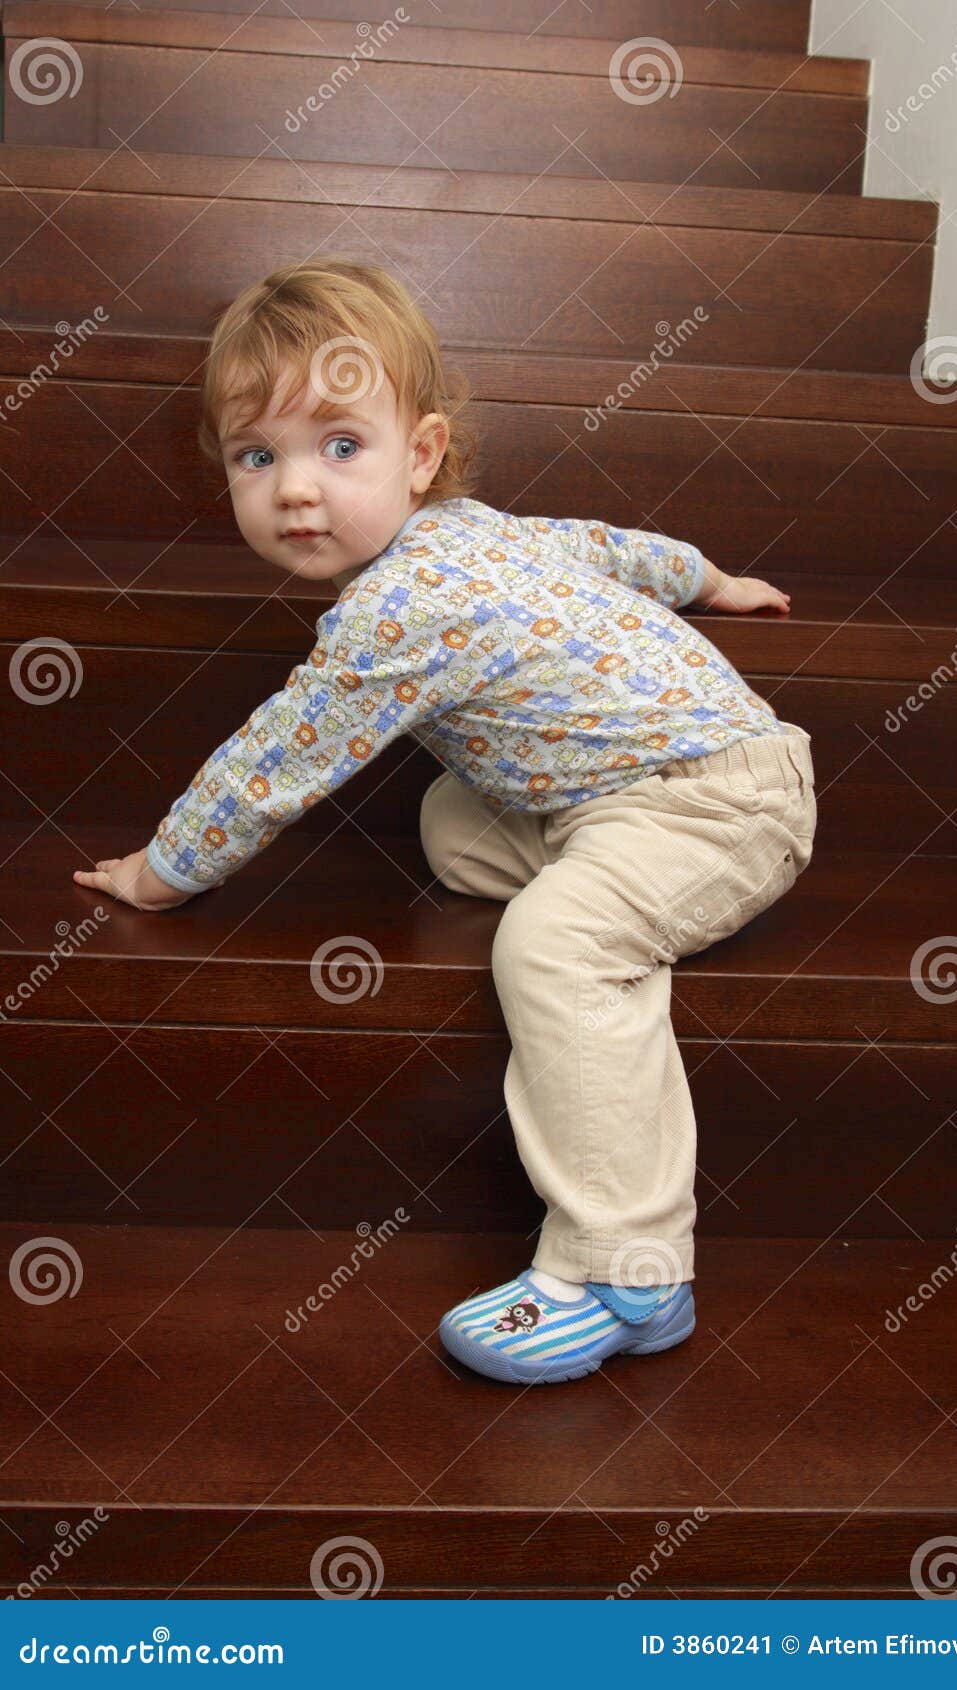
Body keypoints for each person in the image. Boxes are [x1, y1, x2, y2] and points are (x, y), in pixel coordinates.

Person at [72, 257, 817, 1386]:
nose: (296, 492)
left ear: (419, 455)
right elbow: (604, 545)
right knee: (452, 819)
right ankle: (597, 899)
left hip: (718, 803)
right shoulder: (472, 530)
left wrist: (165, 873)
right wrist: (706, 577)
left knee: (552, 944)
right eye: (256, 456)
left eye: (340, 447)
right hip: (618, 793)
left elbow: (277, 759)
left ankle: (629, 1270)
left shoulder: (396, 609)